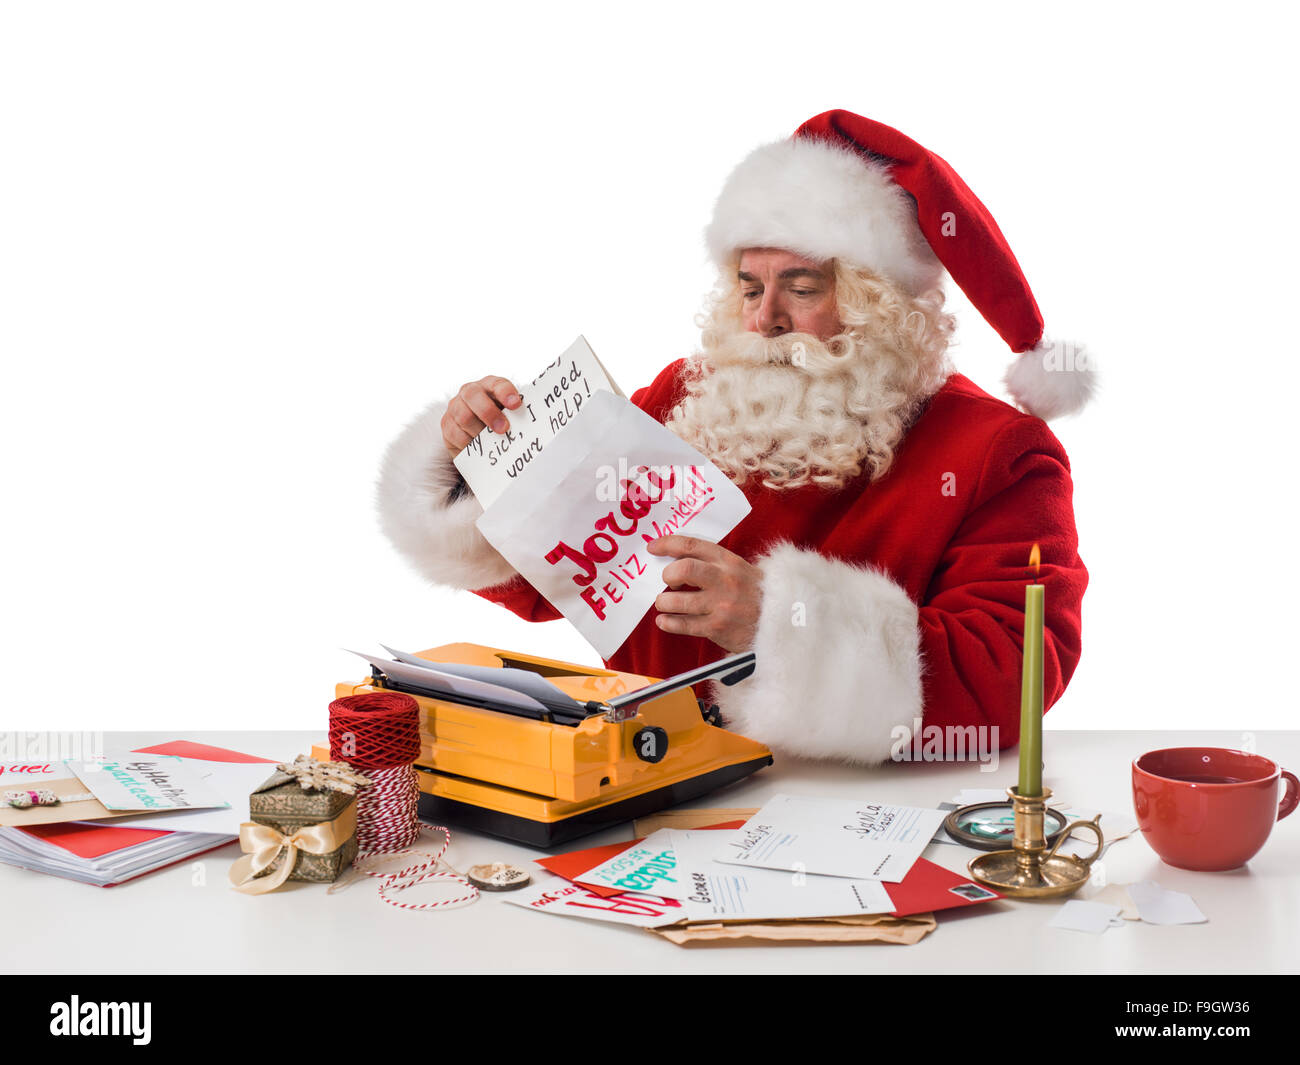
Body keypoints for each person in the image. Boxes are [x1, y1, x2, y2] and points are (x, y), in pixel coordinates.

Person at [376, 110, 1092, 765]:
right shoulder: (689, 400)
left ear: (882, 303)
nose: (765, 319)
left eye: (803, 287)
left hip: (861, 813)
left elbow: (1014, 670)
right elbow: (552, 577)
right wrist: (482, 462)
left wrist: (779, 628)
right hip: (650, 792)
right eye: (751, 287)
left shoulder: (998, 453)